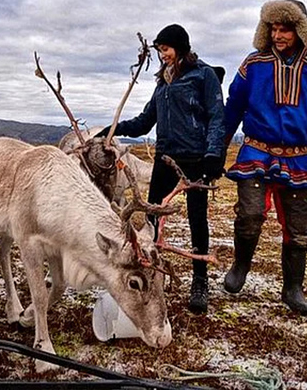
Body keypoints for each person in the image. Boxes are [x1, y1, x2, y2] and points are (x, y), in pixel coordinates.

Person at [222, 0, 307, 316]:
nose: (278, 35)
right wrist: (217, 148)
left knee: (298, 226)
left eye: (285, 29)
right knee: (249, 214)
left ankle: (293, 288)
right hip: (256, 150)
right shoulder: (254, 64)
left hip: (298, 157)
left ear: (300, 30)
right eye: (273, 28)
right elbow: (233, 108)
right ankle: (240, 266)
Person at [96, 24, 225, 314]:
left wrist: (213, 155)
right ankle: (147, 275)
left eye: (165, 49)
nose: (162, 55)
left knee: (197, 220)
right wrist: (112, 129)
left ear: (180, 47)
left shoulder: (203, 76)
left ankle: (200, 282)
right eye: (158, 51)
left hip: (194, 160)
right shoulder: (163, 83)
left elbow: (218, 117)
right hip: (166, 159)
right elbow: (144, 122)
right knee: (150, 219)